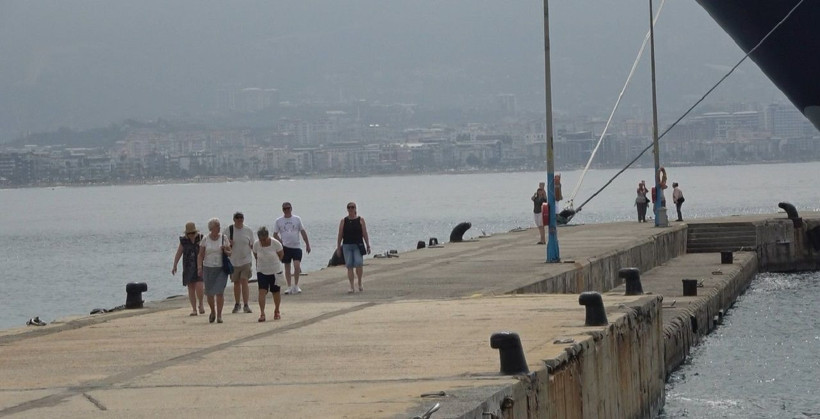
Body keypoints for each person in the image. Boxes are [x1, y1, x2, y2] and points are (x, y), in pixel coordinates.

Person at [273, 202, 312, 295]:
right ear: (282, 210)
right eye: (285, 209)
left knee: (297, 265)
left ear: (291, 208)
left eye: (288, 208)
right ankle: (289, 286)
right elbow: (275, 234)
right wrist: (280, 243)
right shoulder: (279, 221)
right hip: (285, 247)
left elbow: (302, 231)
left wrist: (307, 244)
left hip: (296, 246)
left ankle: (296, 285)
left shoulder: (297, 219)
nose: (287, 210)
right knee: (287, 267)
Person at [198, 218, 231, 324]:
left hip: (221, 268)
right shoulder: (205, 239)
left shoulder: (223, 238)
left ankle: (220, 315)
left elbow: (230, 253)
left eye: (219, 225)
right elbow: (201, 254)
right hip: (208, 267)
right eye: (217, 226)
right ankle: (213, 311)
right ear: (211, 228)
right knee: (209, 293)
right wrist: (199, 267)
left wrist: (225, 250)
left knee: (220, 292)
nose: (219, 227)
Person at [336, 202, 370, 294]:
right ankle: (351, 286)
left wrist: (368, 245)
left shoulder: (360, 220)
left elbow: (364, 233)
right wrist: (338, 247)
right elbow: (340, 235)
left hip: (358, 245)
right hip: (347, 245)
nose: (351, 209)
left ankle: (359, 282)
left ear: (355, 209)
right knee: (349, 265)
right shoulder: (344, 221)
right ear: (347, 209)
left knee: (359, 263)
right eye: (349, 207)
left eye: (352, 207)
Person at [172, 222, 205, 316]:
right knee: (191, 287)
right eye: (189, 233)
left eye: (192, 233)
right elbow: (179, 253)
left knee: (199, 285)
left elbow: (206, 251)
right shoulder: (184, 241)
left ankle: (201, 304)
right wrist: (175, 265)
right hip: (188, 266)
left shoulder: (201, 238)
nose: (191, 235)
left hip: (199, 265)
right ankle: (194, 309)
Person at [224, 211, 254, 314]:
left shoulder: (248, 230)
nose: (239, 219)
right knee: (236, 283)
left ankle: (246, 304)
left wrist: (257, 258)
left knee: (244, 281)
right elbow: (223, 245)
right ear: (234, 219)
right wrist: (229, 244)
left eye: (241, 218)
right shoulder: (229, 230)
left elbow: (252, 245)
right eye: (237, 218)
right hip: (233, 261)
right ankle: (237, 304)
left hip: (246, 260)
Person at [253, 226, 284, 322]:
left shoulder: (275, 243)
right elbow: (256, 255)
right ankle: (262, 313)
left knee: (276, 292)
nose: (262, 241)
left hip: (275, 270)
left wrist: (274, 263)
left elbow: (281, 255)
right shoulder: (256, 244)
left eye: (264, 239)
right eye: (261, 239)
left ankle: (277, 310)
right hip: (262, 271)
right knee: (262, 291)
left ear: (267, 236)